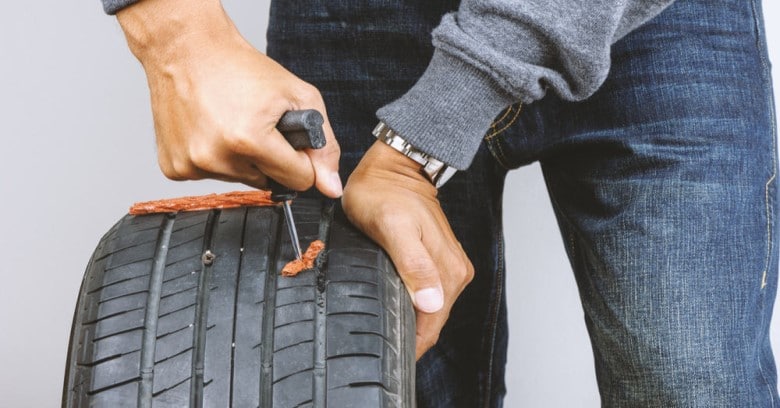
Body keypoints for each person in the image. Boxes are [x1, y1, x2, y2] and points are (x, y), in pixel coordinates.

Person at [103, 0, 779, 406]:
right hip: (355, 17)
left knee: (692, 387)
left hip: (661, 26)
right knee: (386, 384)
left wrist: (415, 147)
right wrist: (176, 34)